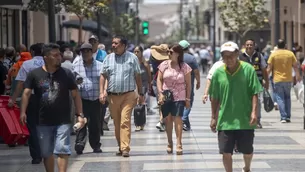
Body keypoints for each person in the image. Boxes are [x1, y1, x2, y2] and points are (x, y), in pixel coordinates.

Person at [20, 43, 86, 172]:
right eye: (55, 55)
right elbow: (26, 93)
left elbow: (75, 94)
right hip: (43, 120)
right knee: (46, 152)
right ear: (46, 57)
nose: (59, 58)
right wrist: (23, 112)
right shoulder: (35, 74)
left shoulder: (66, 73)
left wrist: (80, 114)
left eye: (59, 55)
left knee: (63, 149)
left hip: (63, 120)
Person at [209, 41, 263, 172]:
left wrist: (254, 113)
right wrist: (213, 117)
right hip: (225, 120)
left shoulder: (248, 69)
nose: (228, 59)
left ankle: (247, 167)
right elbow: (214, 97)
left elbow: (254, 92)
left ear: (237, 54)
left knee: (247, 151)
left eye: (231, 55)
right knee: (226, 152)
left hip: (244, 119)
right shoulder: (218, 73)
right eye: (225, 56)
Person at [99, 35, 144, 157]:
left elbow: (138, 76)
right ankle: (120, 145)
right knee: (117, 123)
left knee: (125, 121)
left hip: (128, 95)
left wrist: (140, 93)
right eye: (113, 43)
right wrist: (102, 92)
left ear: (123, 45)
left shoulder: (132, 58)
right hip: (113, 96)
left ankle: (125, 148)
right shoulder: (108, 58)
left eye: (116, 43)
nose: (113, 45)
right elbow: (103, 75)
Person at [8, 43, 45, 164]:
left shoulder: (27, 64)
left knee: (33, 126)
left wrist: (13, 99)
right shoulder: (49, 63)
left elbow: (20, 84)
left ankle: (36, 156)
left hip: (32, 98)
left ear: (33, 52)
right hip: (49, 98)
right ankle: (47, 152)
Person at [157, 44, 192, 155]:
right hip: (166, 95)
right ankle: (169, 142)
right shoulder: (163, 65)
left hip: (179, 96)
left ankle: (179, 143)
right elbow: (159, 80)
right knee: (168, 119)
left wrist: (187, 99)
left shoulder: (184, 67)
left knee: (178, 119)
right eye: (168, 52)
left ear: (177, 54)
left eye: (171, 52)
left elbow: (188, 84)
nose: (169, 54)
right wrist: (160, 93)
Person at [73, 43, 104, 154]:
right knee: (81, 122)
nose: (85, 53)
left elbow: (104, 80)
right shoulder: (76, 66)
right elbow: (73, 83)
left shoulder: (100, 65)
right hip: (82, 100)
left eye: (88, 51)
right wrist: (76, 82)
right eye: (83, 51)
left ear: (92, 52)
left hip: (96, 100)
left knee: (95, 124)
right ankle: (80, 144)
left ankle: (96, 145)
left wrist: (103, 93)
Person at [267, 39, 301, 123]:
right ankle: (288, 116)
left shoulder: (273, 55)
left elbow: (269, 68)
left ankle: (283, 117)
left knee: (280, 98)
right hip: (288, 79)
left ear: (277, 46)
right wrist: (298, 76)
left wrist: (265, 77)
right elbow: (295, 66)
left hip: (277, 79)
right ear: (285, 45)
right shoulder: (290, 54)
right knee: (287, 97)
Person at [239, 39, 269, 128]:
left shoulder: (259, 56)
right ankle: (245, 118)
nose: (249, 46)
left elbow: (264, 70)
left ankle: (257, 120)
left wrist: (266, 82)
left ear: (254, 45)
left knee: (257, 102)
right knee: (244, 101)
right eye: (247, 44)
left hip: (257, 82)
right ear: (244, 46)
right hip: (243, 83)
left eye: (251, 44)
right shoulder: (240, 57)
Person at [178, 40, 200, 131]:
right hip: (188, 85)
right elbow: (196, 71)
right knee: (188, 102)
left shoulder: (176, 58)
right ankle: (183, 119)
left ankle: (186, 124)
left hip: (177, 85)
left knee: (180, 103)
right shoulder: (191, 58)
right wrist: (198, 81)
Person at [150, 44, 170, 132]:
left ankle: (162, 121)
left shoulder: (153, 59)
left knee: (161, 102)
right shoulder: (167, 62)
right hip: (164, 83)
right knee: (163, 103)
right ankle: (162, 121)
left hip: (156, 82)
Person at [133, 45, 152, 131]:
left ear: (141, 52)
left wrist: (150, 85)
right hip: (134, 85)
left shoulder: (145, 63)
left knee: (141, 104)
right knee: (136, 104)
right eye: (135, 52)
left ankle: (141, 123)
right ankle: (137, 123)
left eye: (138, 51)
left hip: (143, 86)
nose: (136, 53)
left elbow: (149, 75)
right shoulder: (132, 63)